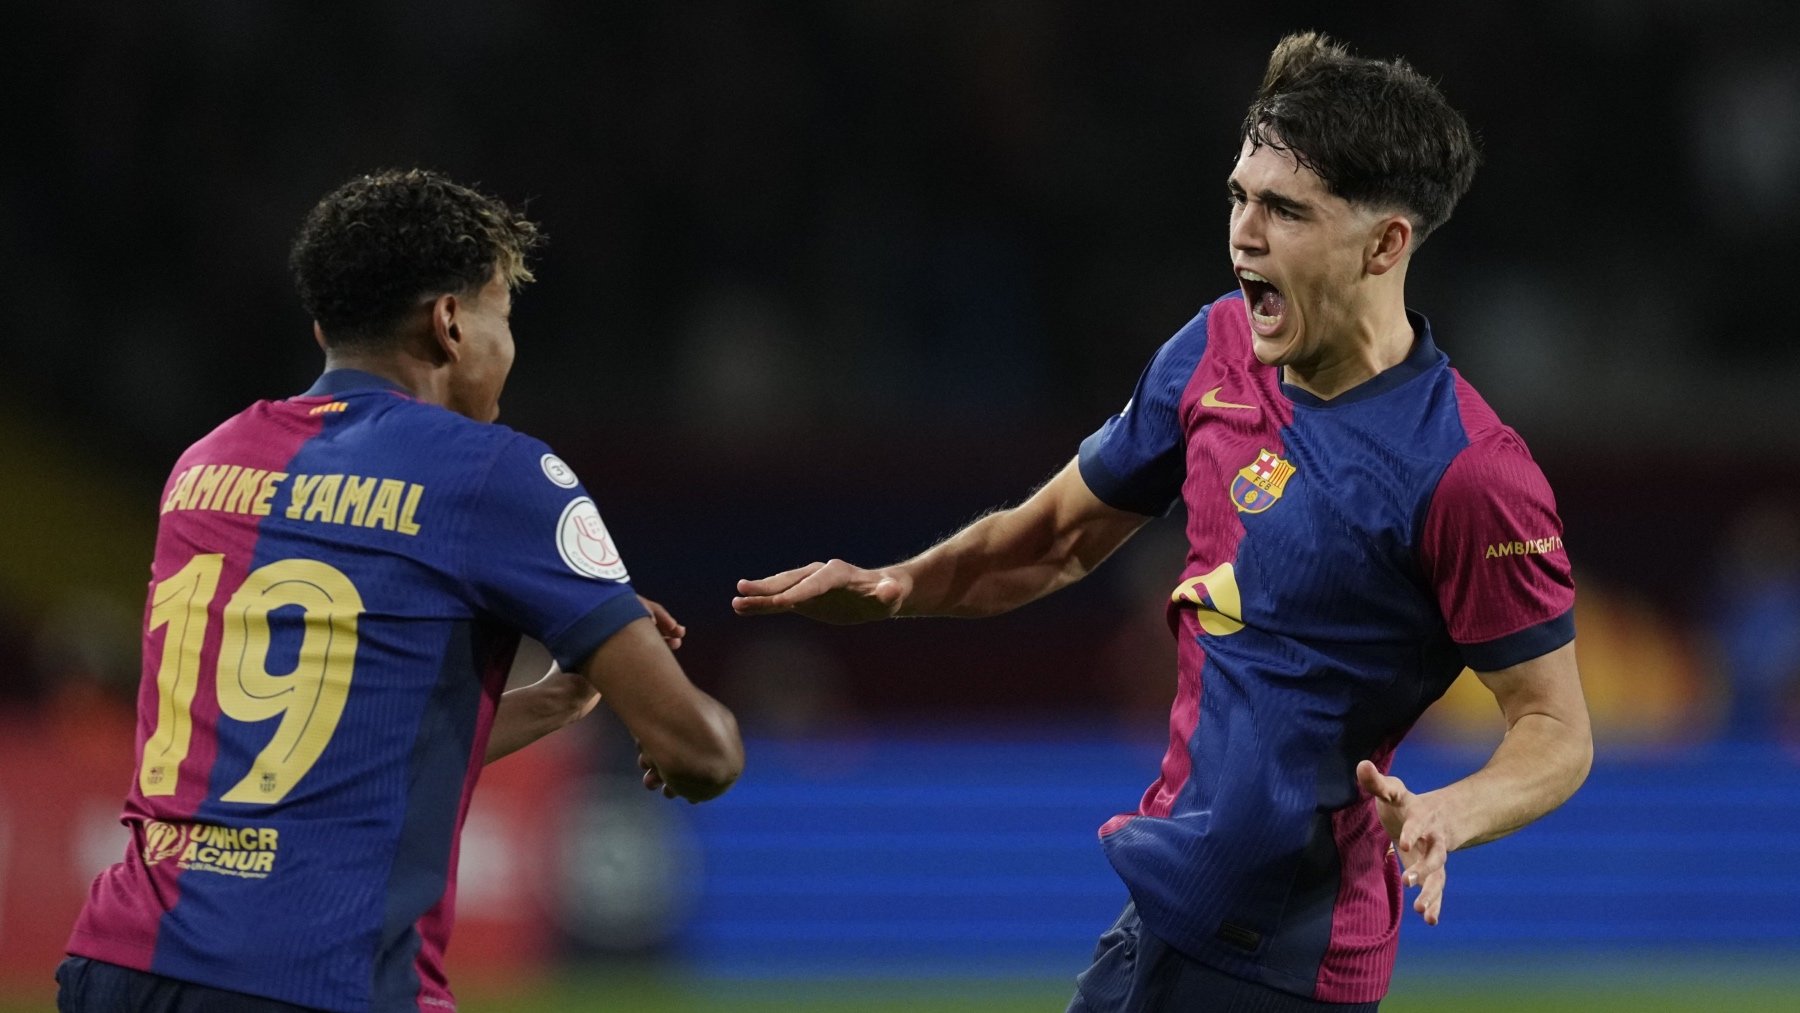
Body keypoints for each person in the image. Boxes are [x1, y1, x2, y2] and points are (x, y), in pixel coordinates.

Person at [734, 32, 1591, 1012]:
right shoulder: (1216, 348)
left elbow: (1555, 726)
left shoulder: (1470, 471)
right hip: (1167, 923)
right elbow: (1055, 535)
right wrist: (900, 586)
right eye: (1239, 196)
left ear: (1385, 242)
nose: (1243, 234)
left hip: (1288, 957)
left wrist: (1451, 810)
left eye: (1283, 210)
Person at [60, 169, 743, 1013]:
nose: (507, 349)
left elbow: (326, 755)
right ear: (451, 322)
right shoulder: (494, 473)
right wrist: (694, 725)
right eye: (502, 315)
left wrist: (553, 704)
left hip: (119, 964)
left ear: (324, 324)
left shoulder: (205, 465)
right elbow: (699, 754)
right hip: (318, 980)